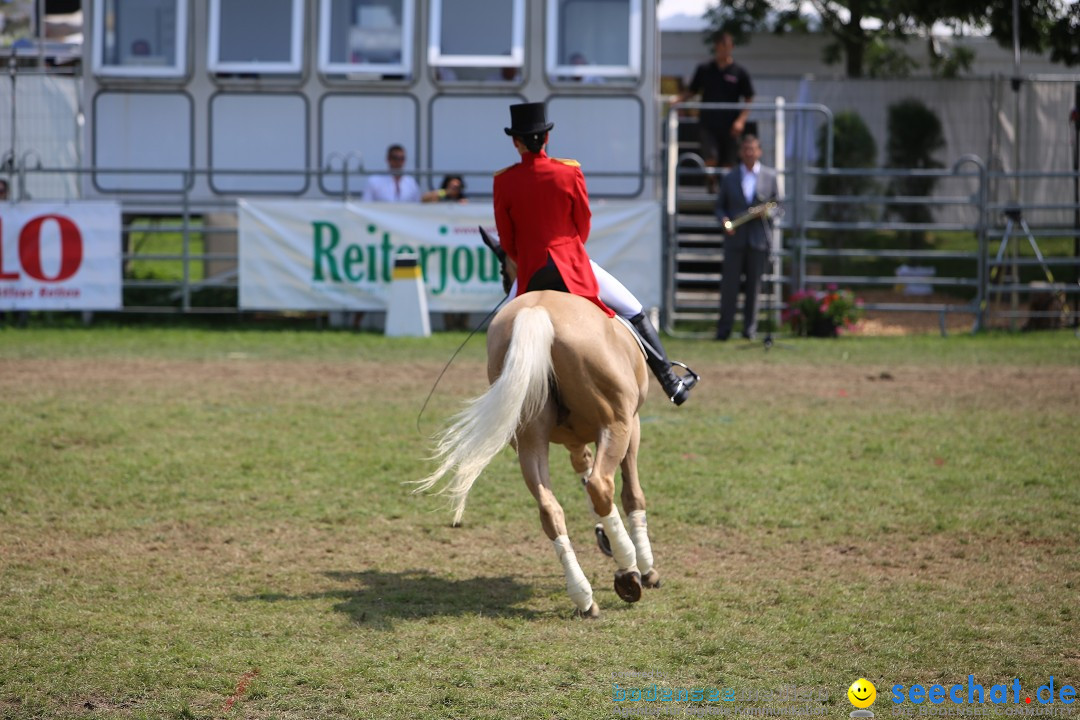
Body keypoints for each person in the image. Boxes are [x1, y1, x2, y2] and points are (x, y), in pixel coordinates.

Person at [493, 102, 697, 405]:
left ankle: (498, 399)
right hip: (571, 265)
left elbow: (507, 241)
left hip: (530, 272)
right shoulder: (569, 172)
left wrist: (526, 259)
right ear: (546, 139)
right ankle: (671, 383)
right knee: (633, 309)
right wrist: (571, 250)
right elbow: (583, 223)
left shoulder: (503, 180)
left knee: (499, 331)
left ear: (515, 142)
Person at [713, 134, 779, 341]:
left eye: (753, 149)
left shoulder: (770, 176)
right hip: (735, 240)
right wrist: (724, 221)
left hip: (759, 240)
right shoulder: (730, 177)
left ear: (759, 151)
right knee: (729, 288)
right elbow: (719, 207)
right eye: (746, 149)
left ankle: (749, 331)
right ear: (741, 152)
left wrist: (767, 213)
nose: (749, 153)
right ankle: (724, 330)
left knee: (754, 288)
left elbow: (779, 205)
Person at [675, 32, 755, 191]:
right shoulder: (704, 69)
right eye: (721, 48)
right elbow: (692, 91)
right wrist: (677, 100)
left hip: (730, 126)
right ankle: (711, 183)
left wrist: (741, 120)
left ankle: (726, 190)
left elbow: (749, 98)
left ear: (732, 48)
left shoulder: (739, 72)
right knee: (710, 157)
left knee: (728, 162)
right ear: (716, 48)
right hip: (708, 123)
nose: (724, 51)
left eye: (727, 47)